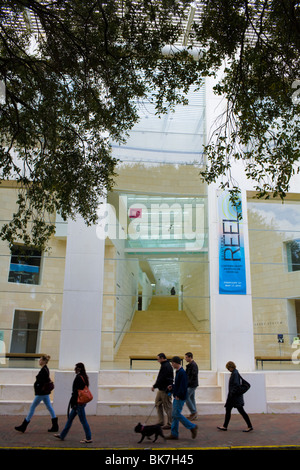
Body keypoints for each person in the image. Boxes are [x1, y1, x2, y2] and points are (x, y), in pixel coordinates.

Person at [15, 354, 58, 433]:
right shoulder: (45, 369)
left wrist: (38, 387)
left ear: (44, 361)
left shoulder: (44, 370)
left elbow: (42, 381)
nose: (39, 361)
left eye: (40, 360)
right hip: (44, 393)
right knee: (49, 407)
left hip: (41, 393)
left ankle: (24, 425)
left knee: (32, 407)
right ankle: (55, 425)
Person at [54, 362, 92, 443]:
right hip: (79, 403)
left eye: (76, 368)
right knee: (70, 419)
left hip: (78, 404)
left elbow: (76, 392)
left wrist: (73, 403)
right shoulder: (84, 377)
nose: (74, 369)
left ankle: (88, 438)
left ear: (79, 369)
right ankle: (62, 435)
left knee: (83, 421)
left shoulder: (79, 377)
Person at [165, 356, 198, 440]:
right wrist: (172, 386)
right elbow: (179, 385)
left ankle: (192, 427)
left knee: (176, 414)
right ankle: (174, 434)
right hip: (178, 395)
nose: (172, 364)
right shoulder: (179, 371)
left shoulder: (182, 372)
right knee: (174, 415)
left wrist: (178, 395)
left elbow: (183, 386)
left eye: (172, 363)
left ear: (176, 363)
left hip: (180, 397)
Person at [217, 361, 253, 432]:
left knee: (241, 411)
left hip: (235, 397)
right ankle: (225, 426)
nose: (228, 370)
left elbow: (236, 385)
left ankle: (250, 426)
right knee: (228, 410)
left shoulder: (235, 374)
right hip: (233, 397)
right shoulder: (234, 373)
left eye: (228, 368)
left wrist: (232, 393)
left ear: (231, 367)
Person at [151, 353, 174, 430]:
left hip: (165, 389)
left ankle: (170, 423)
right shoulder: (164, 365)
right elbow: (160, 378)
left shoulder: (166, 366)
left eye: (158, 359)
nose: (158, 361)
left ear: (162, 358)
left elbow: (162, 378)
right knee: (157, 403)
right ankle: (161, 421)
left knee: (168, 406)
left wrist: (155, 386)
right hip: (161, 389)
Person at [185, 352, 198, 420]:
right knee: (192, 398)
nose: (185, 359)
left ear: (190, 357)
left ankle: (193, 412)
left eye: (186, 357)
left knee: (186, 397)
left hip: (191, 384)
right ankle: (194, 414)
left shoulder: (193, 365)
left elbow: (193, 375)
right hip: (192, 384)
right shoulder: (191, 364)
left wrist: (188, 382)